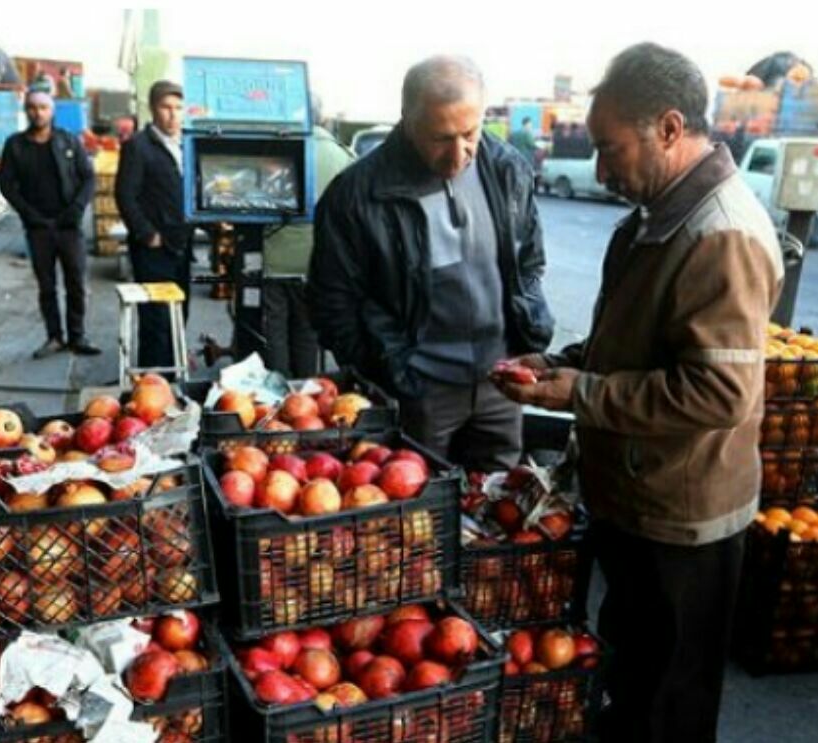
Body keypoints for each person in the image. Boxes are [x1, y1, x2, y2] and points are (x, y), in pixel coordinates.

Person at [494, 43, 783, 743]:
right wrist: (560, 362)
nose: (600, 169)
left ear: (670, 128)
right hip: (637, 498)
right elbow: (640, 343)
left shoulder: (721, 236)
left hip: (683, 518)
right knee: (632, 681)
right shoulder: (658, 216)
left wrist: (581, 393)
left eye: (610, 148)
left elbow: (720, 393)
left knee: (669, 706)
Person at [309, 55, 553, 471]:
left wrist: (525, 332)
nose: (459, 154)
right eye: (441, 137)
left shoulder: (507, 169)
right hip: (417, 390)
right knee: (418, 518)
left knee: (497, 509)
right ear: (407, 119)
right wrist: (391, 374)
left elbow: (529, 261)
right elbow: (333, 302)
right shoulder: (356, 195)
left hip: (501, 384)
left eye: (470, 133)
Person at [0, 91, 99, 358]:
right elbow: (6, 185)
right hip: (38, 228)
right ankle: (54, 337)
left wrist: (77, 209)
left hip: (69, 226)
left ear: (51, 111)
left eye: (43, 107)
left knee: (76, 282)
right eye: (32, 108)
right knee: (47, 286)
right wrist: (28, 214)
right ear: (26, 111)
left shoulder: (68, 141)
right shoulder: (16, 145)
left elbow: (88, 178)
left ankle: (78, 336)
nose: (37, 113)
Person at [262, 96, 355, 378]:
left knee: (274, 333)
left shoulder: (275, 152)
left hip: (274, 261)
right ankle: (304, 394)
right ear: (322, 117)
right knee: (307, 332)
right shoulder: (344, 157)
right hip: (318, 264)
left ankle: (276, 395)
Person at [115, 80, 192, 370]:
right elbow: (125, 195)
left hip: (180, 243)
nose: (173, 115)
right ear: (153, 109)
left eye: (178, 108)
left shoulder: (186, 143)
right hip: (154, 248)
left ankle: (175, 374)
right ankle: (154, 380)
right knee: (156, 320)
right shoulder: (138, 146)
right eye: (166, 107)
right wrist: (147, 234)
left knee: (179, 313)